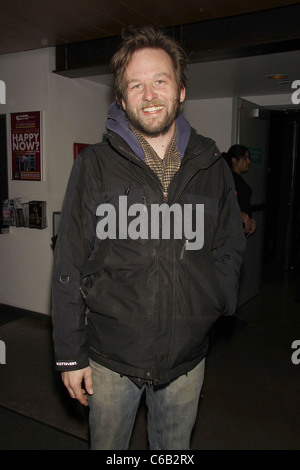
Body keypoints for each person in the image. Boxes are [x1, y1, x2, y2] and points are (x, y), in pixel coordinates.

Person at [51, 26, 246, 450]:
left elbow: (229, 244)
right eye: (136, 85)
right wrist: (70, 354)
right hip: (109, 361)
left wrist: (217, 301)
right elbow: (68, 263)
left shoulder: (212, 167)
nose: (150, 94)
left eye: (160, 80)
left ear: (180, 90)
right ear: (121, 99)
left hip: (186, 360)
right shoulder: (94, 167)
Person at [222, 144, 256, 238]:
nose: (249, 161)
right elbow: (225, 204)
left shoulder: (237, 178)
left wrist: (250, 219)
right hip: (231, 232)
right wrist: (243, 217)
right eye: (245, 158)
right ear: (234, 160)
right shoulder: (228, 179)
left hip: (239, 230)